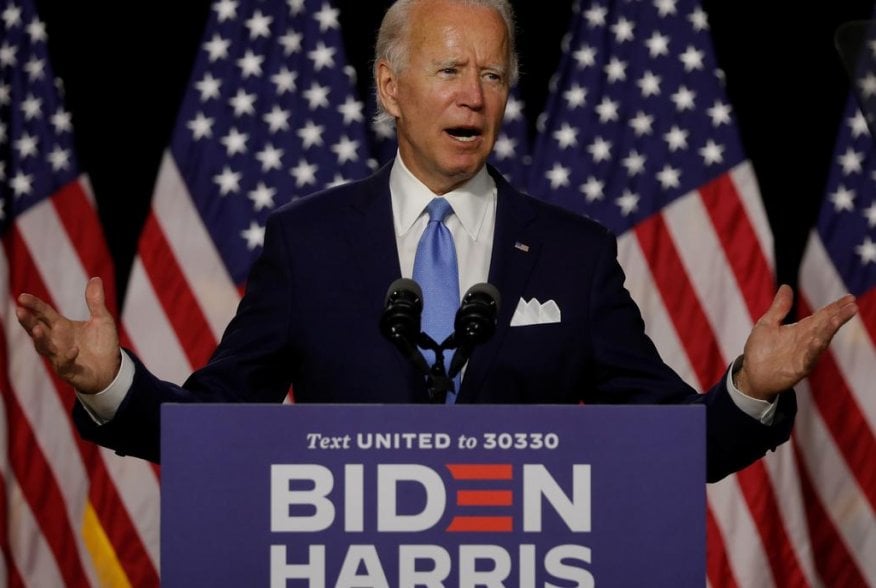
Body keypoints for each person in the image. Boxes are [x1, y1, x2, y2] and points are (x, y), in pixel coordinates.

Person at [15, 0, 857, 483]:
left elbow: (675, 447)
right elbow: (214, 427)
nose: (476, 96)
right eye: (451, 71)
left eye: (493, 75)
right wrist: (111, 385)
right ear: (390, 86)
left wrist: (750, 386)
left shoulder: (572, 252)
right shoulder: (308, 245)